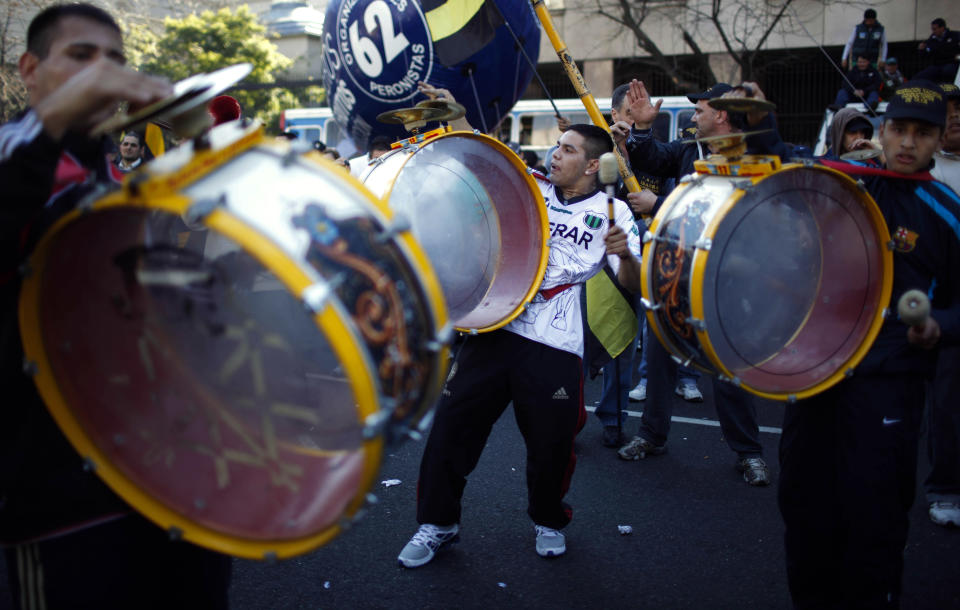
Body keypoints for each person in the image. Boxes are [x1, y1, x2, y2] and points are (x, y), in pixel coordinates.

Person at [0, 5, 232, 608]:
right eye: (82, 56)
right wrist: (56, 119)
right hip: (60, 504)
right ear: (30, 68)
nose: (104, 73)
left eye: (117, 61)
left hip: (171, 481)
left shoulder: (121, 179)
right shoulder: (16, 154)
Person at [397, 123, 643, 568]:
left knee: (551, 445)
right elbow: (488, 159)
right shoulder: (532, 186)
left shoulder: (614, 212)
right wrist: (457, 119)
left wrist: (624, 254)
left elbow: (633, 284)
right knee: (452, 429)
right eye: (556, 146)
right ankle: (438, 524)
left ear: (593, 164)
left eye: (568, 150)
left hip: (554, 343)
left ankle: (548, 519)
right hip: (495, 324)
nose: (555, 155)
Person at [779, 80, 960, 607]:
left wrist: (939, 327)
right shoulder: (844, 188)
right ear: (882, 131)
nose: (907, 143)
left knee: (874, 518)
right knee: (803, 506)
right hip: (818, 374)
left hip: (889, 385)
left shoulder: (946, 213)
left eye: (921, 134)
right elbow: (779, 177)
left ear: (937, 140)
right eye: (898, 129)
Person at [610, 80, 772, 486]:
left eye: (698, 110)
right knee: (662, 355)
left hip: (726, 281)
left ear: (721, 114)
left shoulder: (753, 157)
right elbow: (652, 157)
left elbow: (727, 213)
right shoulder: (687, 150)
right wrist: (643, 129)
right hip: (675, 274)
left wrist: (658, 205)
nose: (692, 117)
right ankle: (652, 435)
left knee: (728, 369)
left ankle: (748, 452)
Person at [925, 82, 960, 529]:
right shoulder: (924, 176)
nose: (955, 118)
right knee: (947, 397)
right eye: (948, 111)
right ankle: (947, 487)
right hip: (937, 300)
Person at [915, 18, 960, 83]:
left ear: (942, 28)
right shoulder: (932, 39)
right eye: (932, 29)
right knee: (920, 76)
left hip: (952, 63)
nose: (933, 31)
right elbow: (926, 54)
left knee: (947, 72)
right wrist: (921, 49)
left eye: (935, 29)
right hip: (937, 65)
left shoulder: (954, 35)